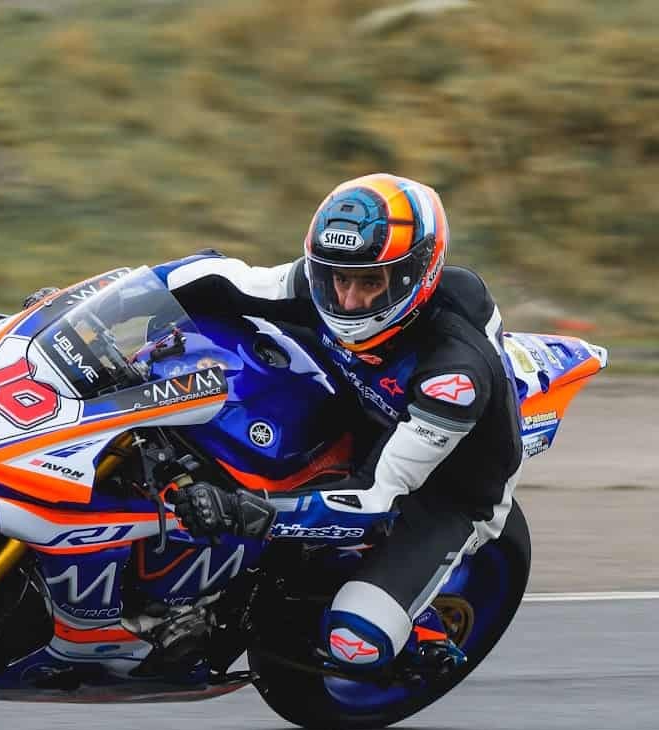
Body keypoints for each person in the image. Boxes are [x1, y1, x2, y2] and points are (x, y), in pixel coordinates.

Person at [142, 173, 525, 676]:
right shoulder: (328, 283)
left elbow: (376, 496)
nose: (347, 300)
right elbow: (223, 279)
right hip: (358, 407)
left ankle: (423, 637)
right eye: (337, 278)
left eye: (370, 283)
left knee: (355, 640)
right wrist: (100, 301)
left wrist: (239, 511)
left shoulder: (453, 376)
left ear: (415, 276)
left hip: (441, 490)